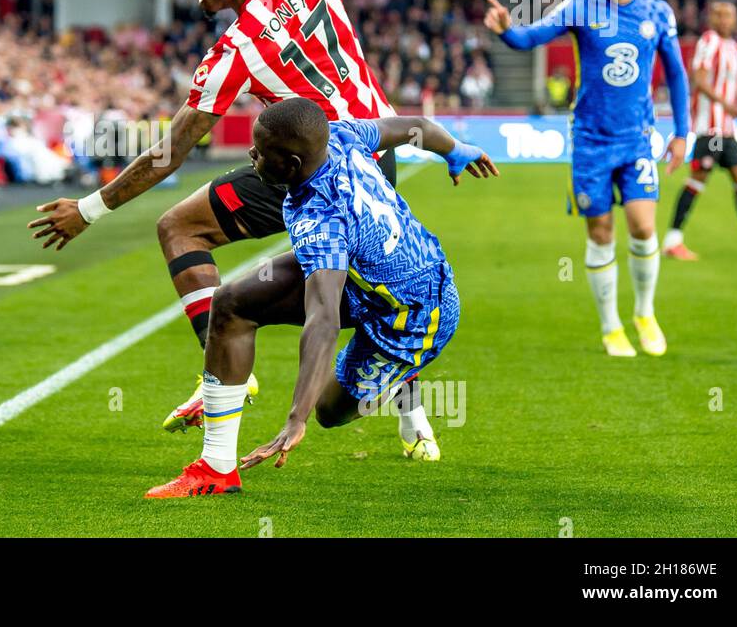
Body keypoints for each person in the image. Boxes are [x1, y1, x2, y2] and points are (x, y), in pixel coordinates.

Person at [30, 0, 462, 442]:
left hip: (320, 168)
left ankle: (224, 379)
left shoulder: (233, 56)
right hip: (373, 152)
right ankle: (412, 416)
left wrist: (88, 209)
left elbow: (170, 152)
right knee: (363, 284)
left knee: (182, 228)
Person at [146, 99, 497, 497]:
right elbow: (415, 125)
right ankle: (217, 469)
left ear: (291, 164)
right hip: (367, 271)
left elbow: (324, 318)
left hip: (412, 317)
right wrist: (455, 150)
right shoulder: (342, 134)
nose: (251, 155)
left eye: (260, 153)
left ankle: (401, 374)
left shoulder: (320, 218)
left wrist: (297, 419)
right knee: (230, 303)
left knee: (328, 412)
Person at [483, 0, 690, 358]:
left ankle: (644, 313)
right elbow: (531, 38)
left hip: (637, 139)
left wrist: (682, 133)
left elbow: (677, 75)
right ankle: (611, 326)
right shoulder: (581, 6)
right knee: (600, 234)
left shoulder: (658, 13)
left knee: (644, 227)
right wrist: (506, 30)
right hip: (591, 142)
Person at [662, 0, 737, 260]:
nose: (723, 20)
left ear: (735, 19)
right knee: (697, 181)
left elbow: (722, 84)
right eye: (718, 15)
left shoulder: (732, 47)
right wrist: (726, 105)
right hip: (710, 129)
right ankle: (672, 241)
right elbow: (699, 79)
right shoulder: (708, 41)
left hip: (726, 131)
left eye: (728, 15)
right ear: (711, 19)